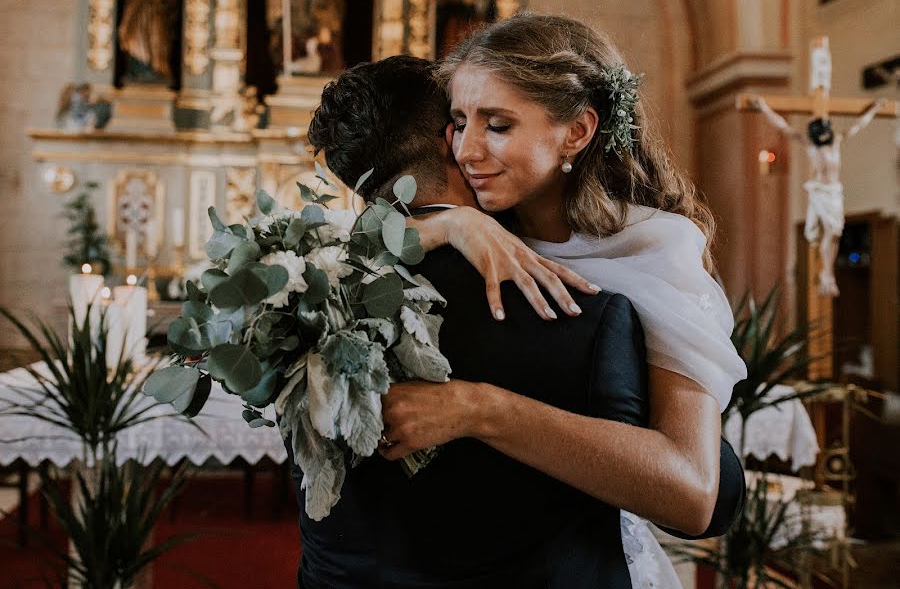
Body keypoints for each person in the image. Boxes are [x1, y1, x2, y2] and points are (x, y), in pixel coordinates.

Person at [301, 54, 744, 588]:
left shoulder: (304, 296)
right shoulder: (581, 317)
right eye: (466, 122)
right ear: (451, 142)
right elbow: (706, 498)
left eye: (494, 123)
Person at [751, 96, 886, 295]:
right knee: (829, 231)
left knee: (836, 233)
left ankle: (827, 274)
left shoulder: (837, 141)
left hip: (834, 192)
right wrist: (764, 107)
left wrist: (873, 110)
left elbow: (858, 126)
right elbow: (784, 127)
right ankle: (826, 274)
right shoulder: (809, 145)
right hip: (820, 192)